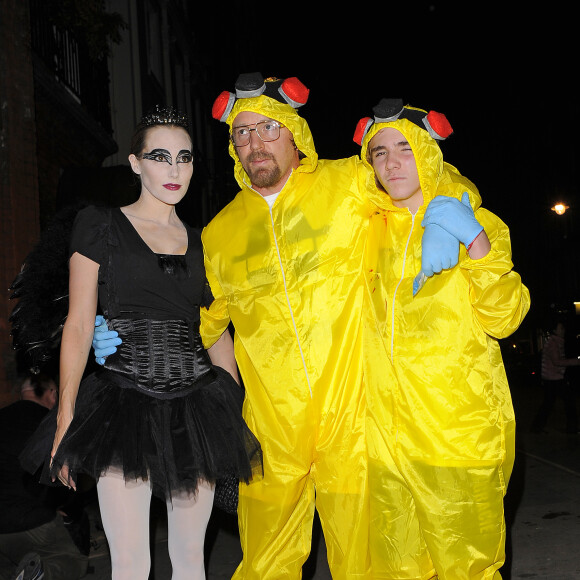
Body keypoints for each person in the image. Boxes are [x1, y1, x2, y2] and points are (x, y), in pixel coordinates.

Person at [20, 106, 261, 580]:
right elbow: (79, 323)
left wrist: (236, 408)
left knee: (192, 558)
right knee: (130, 562)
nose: (175, 170)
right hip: (121, 404)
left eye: (185, 158)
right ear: (135, 163)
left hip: (196, 406)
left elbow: (214, 331)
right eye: (160, 156)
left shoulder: (205, 242)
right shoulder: (100, 226)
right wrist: (66, 411)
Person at [353, 98, 531, 579]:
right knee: (397, 568)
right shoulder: (366, 230)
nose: (392, 163)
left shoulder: (476, 221)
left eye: (405, 149)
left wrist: (474, 241)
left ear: (429, 152)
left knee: (468, 567)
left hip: (457, 436)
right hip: (386, 443)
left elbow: (507, 318)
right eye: (380, 152)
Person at [0, 374, 87, 580]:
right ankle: (41, 574)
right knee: (71, 562)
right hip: (28, 518)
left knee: (10, 568)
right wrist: (65, 505)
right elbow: (62, 478)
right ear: (52, 394)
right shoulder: (50, 425)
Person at [531, 320, 580, 434]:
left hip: (552, 378)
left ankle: (536, 427)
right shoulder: (553, 343)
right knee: (568, 403)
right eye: (561, 328)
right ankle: (571, 428)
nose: (563, 330)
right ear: (555, 330)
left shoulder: (555, 341)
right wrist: (576, 362)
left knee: (548, 404)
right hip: (554, 379)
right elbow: (557, 361)